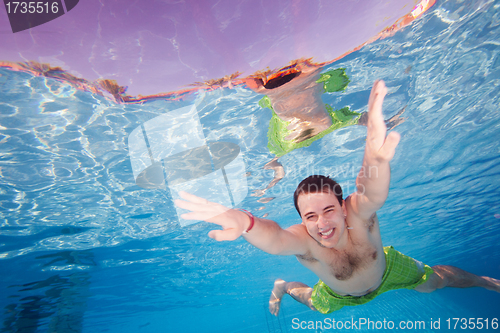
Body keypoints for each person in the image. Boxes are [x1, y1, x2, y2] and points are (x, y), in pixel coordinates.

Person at [174, 80, 500, 315]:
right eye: (310, 217)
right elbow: (274, 239)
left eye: (328, 210)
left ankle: (488, 282)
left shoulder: (358, 215)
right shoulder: (304, 240)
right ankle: (283, 286)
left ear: (344, 209)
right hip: (336, 292)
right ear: (302, 221)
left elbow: (371, 193)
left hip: (388, 273)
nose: (322, 223)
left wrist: (375, 157)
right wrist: (244, 221)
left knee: (438, 281)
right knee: (313, 302)